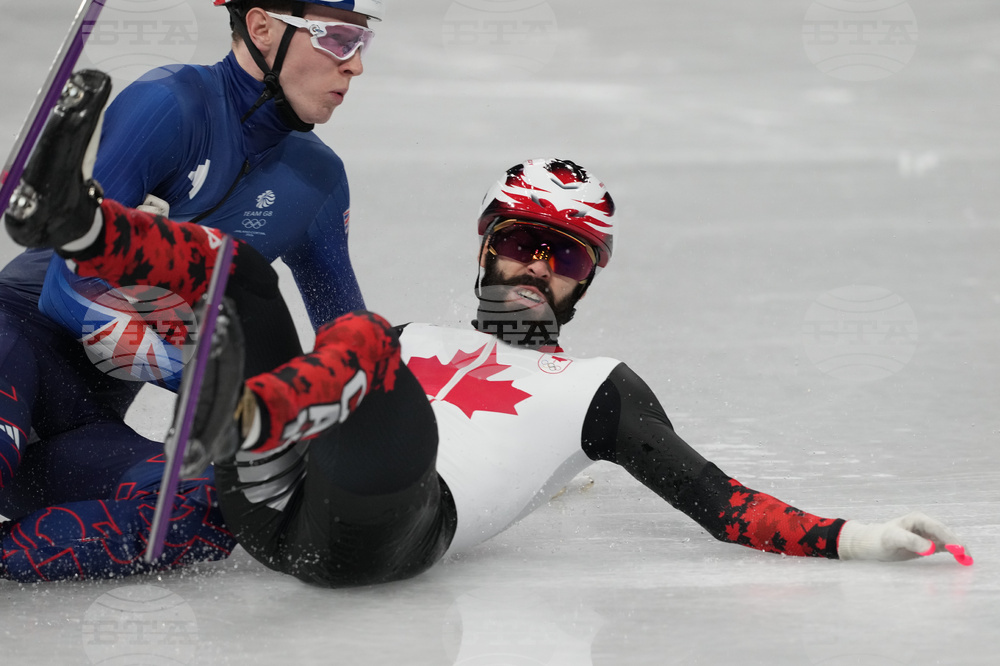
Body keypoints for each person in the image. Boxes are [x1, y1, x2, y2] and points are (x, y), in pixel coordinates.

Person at [2, 103, 973, 584]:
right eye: (515, 239)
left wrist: (854, 538)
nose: (530, 266)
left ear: (585, 275)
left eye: (558, 252)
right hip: (279, 493)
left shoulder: (597, 391)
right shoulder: (416, 335)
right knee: (244, 273)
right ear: (483, 245)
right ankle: (79, 223)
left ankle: (250, 417)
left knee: (358, 342)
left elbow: (719, 504)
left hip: (382, 530)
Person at [0, 0, 382, 581]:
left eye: (361, 42)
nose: (353, 66)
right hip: (14, 344)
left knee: (202, 510)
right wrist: (205, 377)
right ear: (261, 27)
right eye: (335, 39)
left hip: (81, 422)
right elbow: (65, 291)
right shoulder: (170, 104)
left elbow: (346, 343)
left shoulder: (318, 182)